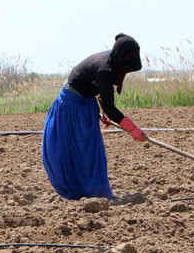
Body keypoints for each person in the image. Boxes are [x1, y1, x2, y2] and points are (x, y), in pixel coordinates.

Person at [41, 33, 146, 202]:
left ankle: (97, 193)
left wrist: (103, 109)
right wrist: (132, 128)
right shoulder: (104, 68)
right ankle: (91, 194)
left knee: (91, 150)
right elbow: (110, 107)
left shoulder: (112, 63)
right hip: (72, 106)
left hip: (86, 102)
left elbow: (104, 97)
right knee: (81, 150)